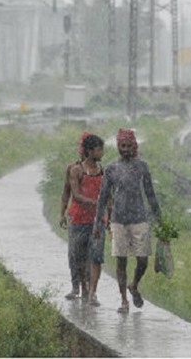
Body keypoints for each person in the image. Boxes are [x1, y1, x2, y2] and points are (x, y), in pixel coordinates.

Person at [94, 128, 162, 313]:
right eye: (122, 146)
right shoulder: (111, 168)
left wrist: (160, 220)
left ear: (134, 146)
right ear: (118, 146)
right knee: (121, 261)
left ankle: (134, 285)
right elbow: (103, 197)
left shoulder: (141, 166)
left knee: (142, 260)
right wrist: (97, 224)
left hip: (139, 217)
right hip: (118, 219)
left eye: (128, 146)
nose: (125, 149)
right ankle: (124, 300)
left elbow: (150, 194)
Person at [63, 133, 105, 301]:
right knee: (77, 256)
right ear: (89, 151)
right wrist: (62, 212)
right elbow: (74, 194)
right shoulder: (75, 169)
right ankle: (80, 287)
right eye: (99, 149)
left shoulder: (104, 171)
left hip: (97, 221)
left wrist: (108, 214)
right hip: (79, 219)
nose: (102, 153)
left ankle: (91, 291)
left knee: (95, 257)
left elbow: (108, 195)